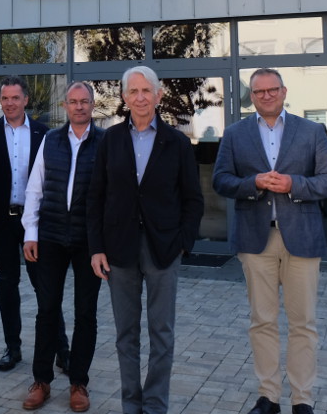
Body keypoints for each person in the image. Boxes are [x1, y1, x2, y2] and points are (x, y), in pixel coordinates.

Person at [211, 69, 327, 414]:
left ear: (284, 91)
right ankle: (268, 397)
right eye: (258, 92)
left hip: (302, 237)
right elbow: (221, 180)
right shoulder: (236, 133)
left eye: (272, 90)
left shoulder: (311, 131)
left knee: (303, 324)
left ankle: (302, 400)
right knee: (262, 321)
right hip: (256, 240)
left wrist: (293, 185)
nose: (266, 96)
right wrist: (253, 182)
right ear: (251, 96)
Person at [87, 66, 203, 414]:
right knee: (126, 335)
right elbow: (95, 197)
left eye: (145, 91)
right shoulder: (110, 140)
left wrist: (184, 241)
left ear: (158, 95)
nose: (139, 97)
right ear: (124, 98)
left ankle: (154, 406)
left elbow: (193, 200)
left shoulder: (178, 143)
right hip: (118, 250)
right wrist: (96, 248)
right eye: (133, 92)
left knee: (161, 334)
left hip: (163, 250)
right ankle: (131, 405)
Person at [0, 75, 68, 373]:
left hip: (35, 223)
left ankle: (61, 349)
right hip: (1, 222)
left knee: (45, 286)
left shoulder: (44, 134)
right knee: (7, 283)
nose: (9, 103)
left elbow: (53, 180)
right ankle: (12, 348)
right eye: (5, 98)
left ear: (26, 100)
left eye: (15, 98)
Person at [21, 81, 106, 413]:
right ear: (65, 105)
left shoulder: (106, 142)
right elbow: (34, 189)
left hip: (89, 241)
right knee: (47, 310)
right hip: (51, 236)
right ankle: (41, 380)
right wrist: (30, 232)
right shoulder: (50, 140)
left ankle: (79, 382)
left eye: (85, 101)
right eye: (73, 102)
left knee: (86, 313)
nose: (79, 107)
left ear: (92, 105)